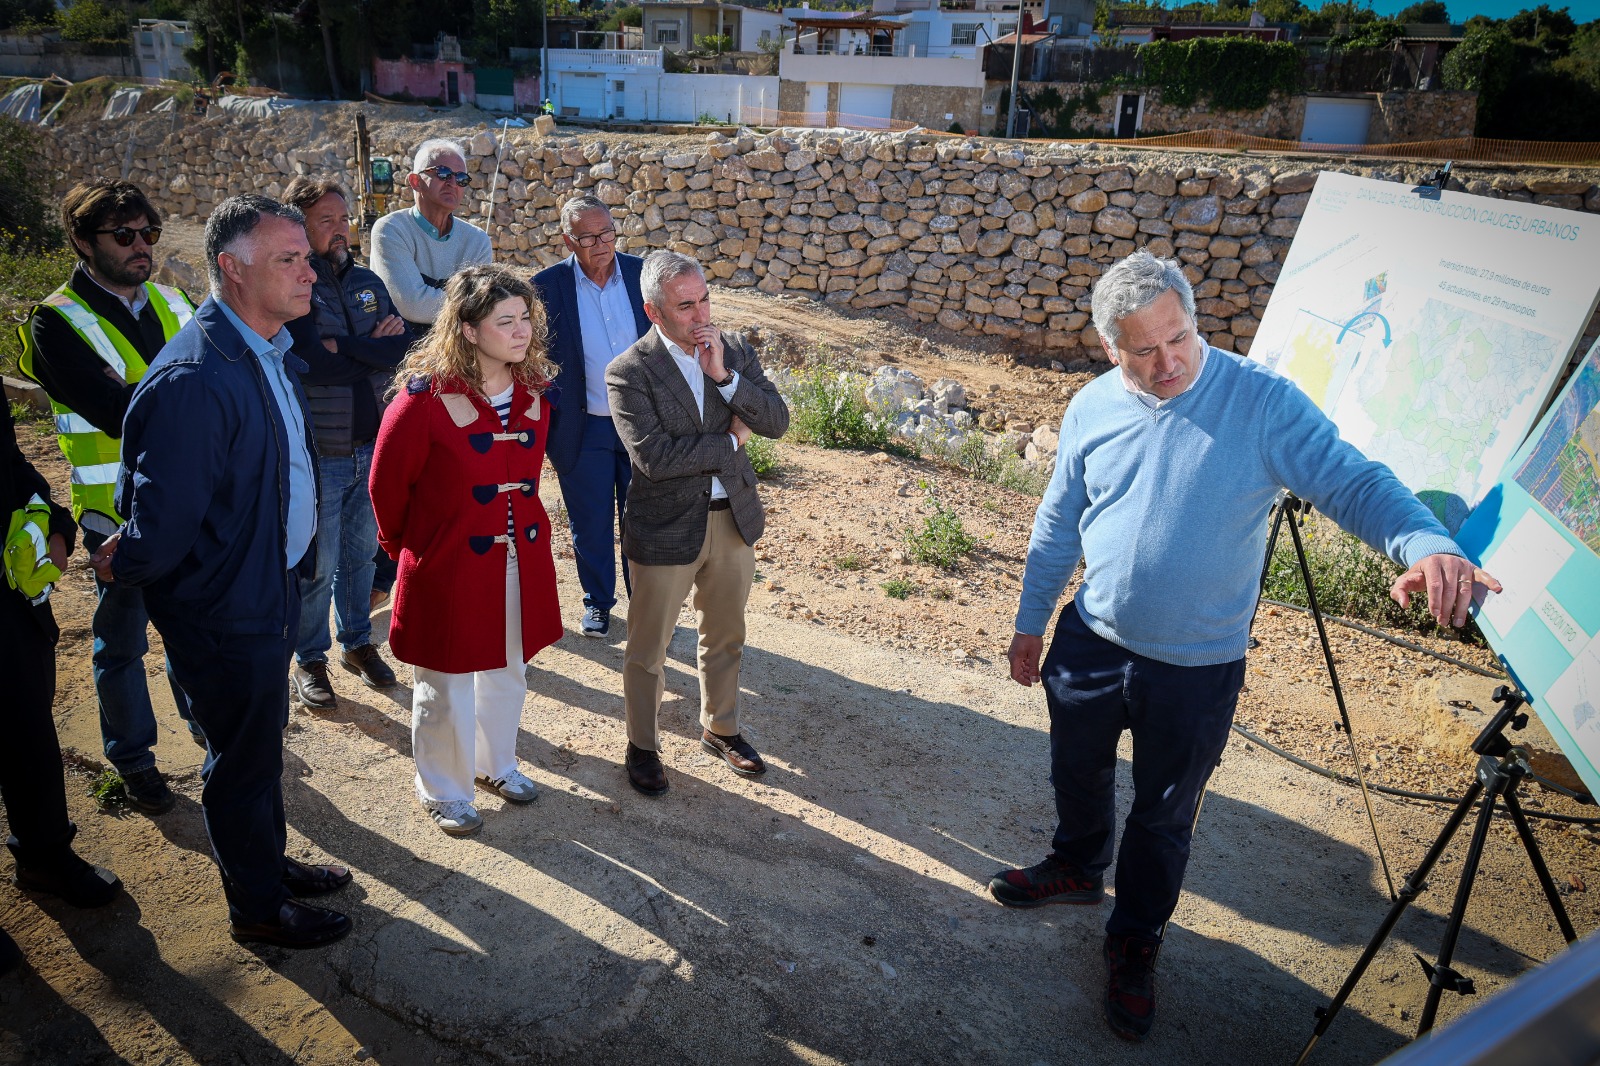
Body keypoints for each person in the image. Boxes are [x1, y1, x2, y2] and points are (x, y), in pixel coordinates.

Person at [996, 250, 1501, 1042]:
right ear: (1109, 348)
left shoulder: (1263, 403)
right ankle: (1077, 865)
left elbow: (1354, 481)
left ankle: (1134, 943)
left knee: (1165, 820)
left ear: (1193, 322)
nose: (1169, 364)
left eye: (1180, 339)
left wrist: (1423, 542)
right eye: (1144, 351)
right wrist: (1032, 622)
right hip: (1091, 640)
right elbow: (1059, 522)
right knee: (1075, 767)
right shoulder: (1091, 406)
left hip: (1196, 669)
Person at [93, 195, 354, 949]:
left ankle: (265, 866)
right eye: (289, 260)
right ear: (232, 270)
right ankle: (258, 909)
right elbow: (162, 521)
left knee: (258, 748)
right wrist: (126, 560)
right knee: (239, 762)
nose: (312, 270)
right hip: (224, 609)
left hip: (264, 589)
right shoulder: (197, 379)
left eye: (307, 255)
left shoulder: (264, 347)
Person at [18, 179, 199, 815]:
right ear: (81, 240)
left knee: (193, 632)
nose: (141, 246)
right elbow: (114, 409)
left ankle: (207, 736)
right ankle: (133, 761)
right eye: (123, 236)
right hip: (114, 515)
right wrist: (189, 408)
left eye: (149, 233)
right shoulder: (55, 320)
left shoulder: (175, 302)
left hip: (188, 503)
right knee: (122, 644)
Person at [369, 265, 564, 837]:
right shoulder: (424, 399)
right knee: (446, 681)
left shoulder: (532, 396)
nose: (521, 330)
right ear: (470, 330)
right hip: (446, 562)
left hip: (518, 558)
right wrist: (417, 551)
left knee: (508, 669)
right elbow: (386, 487)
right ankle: (444, 789)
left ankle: (494, 764)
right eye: (505, 321)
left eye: (525, 317)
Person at [605, 251, 788, 797]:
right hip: (663, 526)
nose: (701, 313)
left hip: (732, 518)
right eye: (686, 305)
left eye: (704, 297)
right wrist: (731, 439)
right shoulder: (627, 371)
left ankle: (721, 728)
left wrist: (728, 380)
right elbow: (656, 458)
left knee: (727, 634)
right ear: (654, 311)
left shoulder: (733, 350)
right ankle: (642, 746)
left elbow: (775, 421)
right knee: (648, 648)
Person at [2, 397, 124, 975]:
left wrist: (53, 527)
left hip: (9, 601)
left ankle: (45, 855)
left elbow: (12, 466)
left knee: (27, 729)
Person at [281, 176, 410, 711]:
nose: (339, 229)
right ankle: (311, 658)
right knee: (318, 562)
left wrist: (353, 348)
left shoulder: (367, 281)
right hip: (323, 450)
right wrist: (368, 348)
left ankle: (357, 643)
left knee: (360, 557)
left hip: (370, 445)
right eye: (325, 220)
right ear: (300, 226)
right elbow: (312, 359)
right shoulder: (296, 285)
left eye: (343, 218)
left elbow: (399, 347)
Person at [367, 137, 493, 611]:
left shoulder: (475, 239)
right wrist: (458, 303)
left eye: (461, 176)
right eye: (443, 173)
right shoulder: (390, 229)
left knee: (451, 474)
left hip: (459, 371)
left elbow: (474, 305)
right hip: (403, 371)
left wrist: (437, 296)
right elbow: (407, 301)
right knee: (398, 474)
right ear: (415, 180)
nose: (454, 183)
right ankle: (385, 576)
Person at [531, 194, 653, 639]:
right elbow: (532, 356)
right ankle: (598, 604)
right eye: (589, 236)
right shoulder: (545, 288)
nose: (602, 243)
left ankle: (647, 606)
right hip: (583, 429)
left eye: (607, 233)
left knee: (643, 519)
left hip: (643, 426)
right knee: (591, 522)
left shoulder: (642, 276)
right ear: (568, 240)